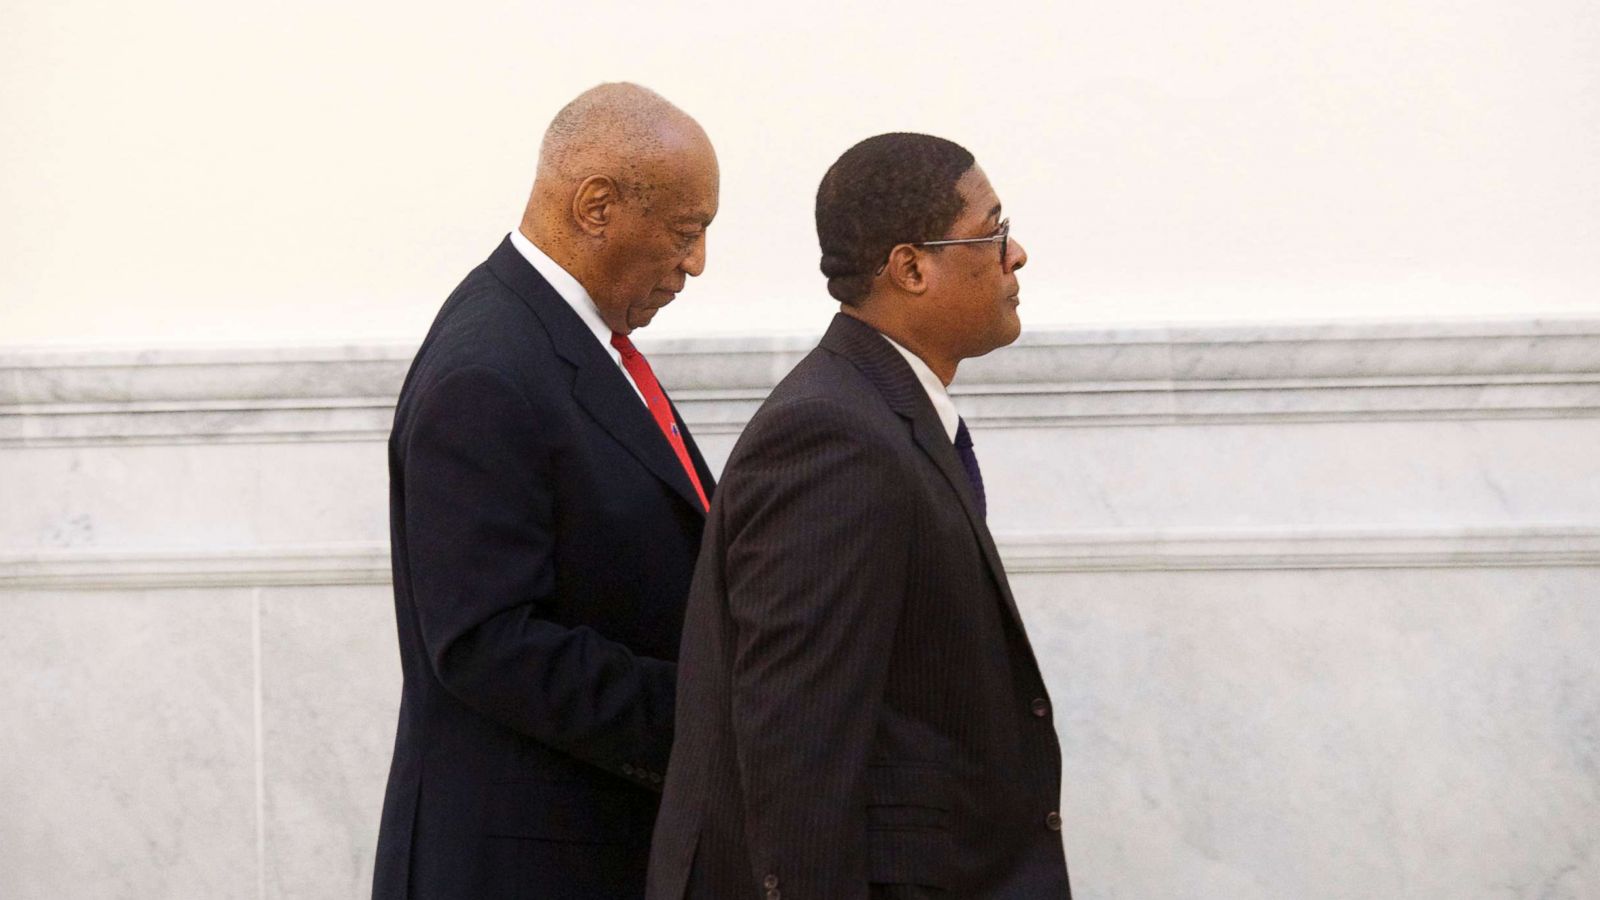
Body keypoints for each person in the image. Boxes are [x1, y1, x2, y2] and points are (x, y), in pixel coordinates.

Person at [646, 133, 1072, 899]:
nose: (1018, 255)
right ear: (911, 267)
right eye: (994, 232)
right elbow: (796, 750)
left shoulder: (880, 409)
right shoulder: (833, 437)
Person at [372, 83, 719, 900]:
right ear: (597, 205)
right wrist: (706, 717)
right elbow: (488, 643)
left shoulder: (566, 339)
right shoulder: (489, 368)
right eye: (685, 231)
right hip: (524, 863)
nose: (696, 262)